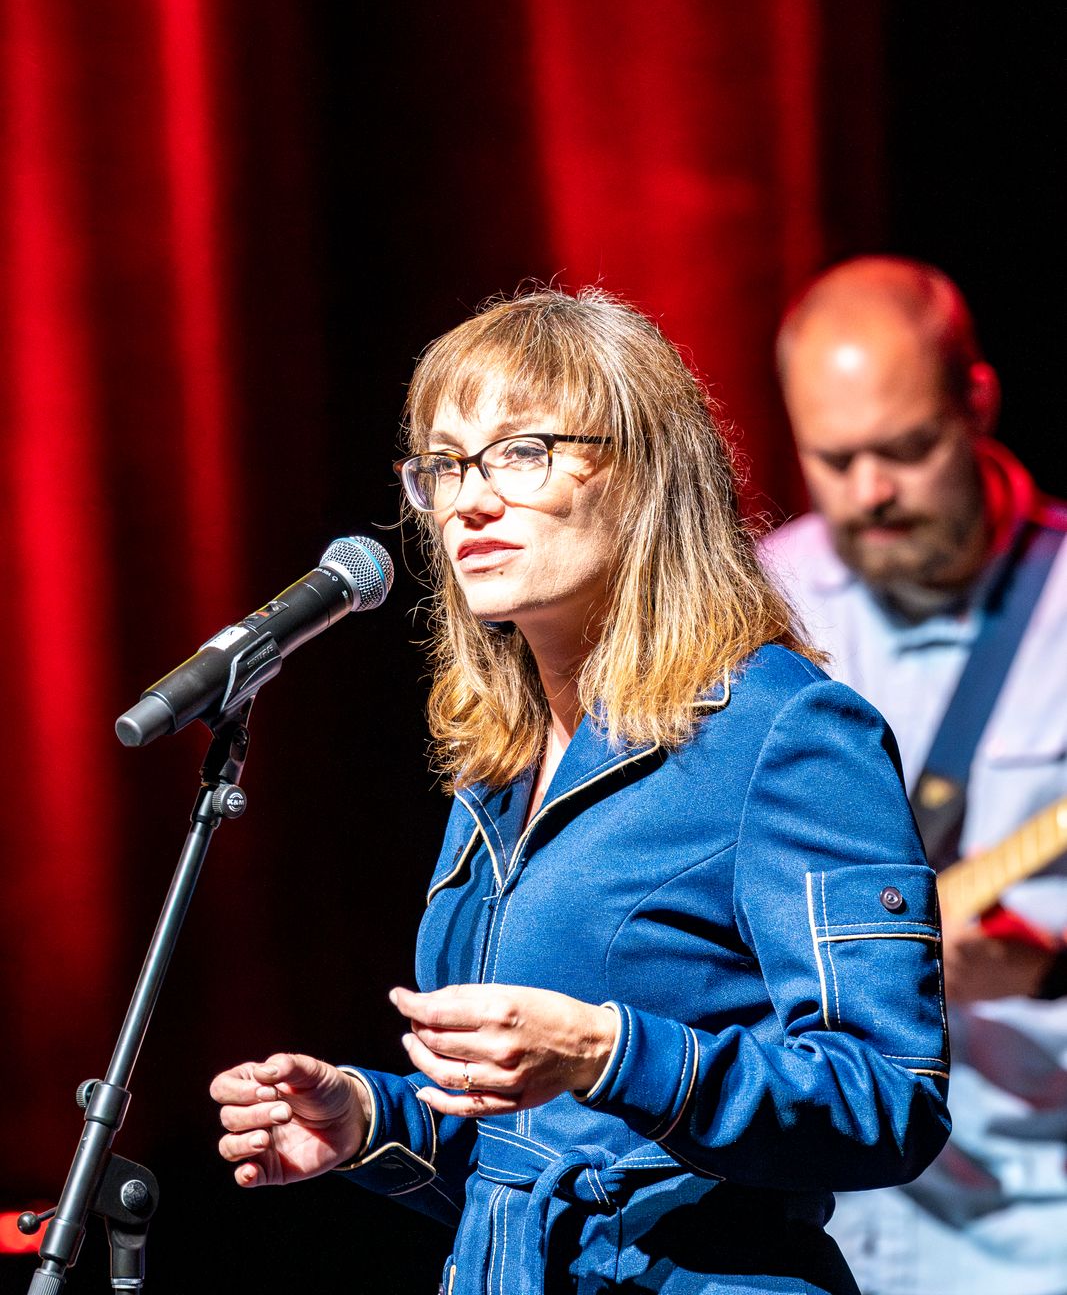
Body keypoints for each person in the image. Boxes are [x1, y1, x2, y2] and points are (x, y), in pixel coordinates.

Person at [211, 286, 949, 1295]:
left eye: (520, 453)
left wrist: (609, 1051)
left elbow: (889, 1099)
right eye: (443, 465)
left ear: (642, 472)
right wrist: (370, 1119)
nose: (468, 500)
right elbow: (539, 1151)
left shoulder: (785, 731)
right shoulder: (504, 758)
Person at [765, 256, 1067, 1295]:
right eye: (833, 459)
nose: (871, 493)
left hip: (1028, 1215)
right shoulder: (759, 606)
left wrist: (1043, 967)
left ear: (975, 404)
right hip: (806, 1201)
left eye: (905, 450)